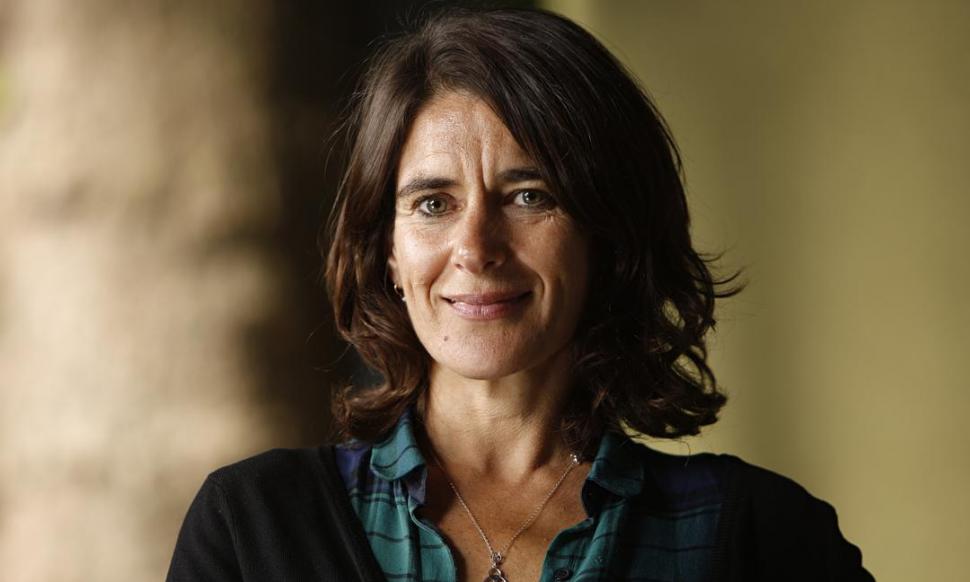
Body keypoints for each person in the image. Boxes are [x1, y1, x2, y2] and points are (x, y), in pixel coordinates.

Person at [167, 7, 873, 582]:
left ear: (609, 235)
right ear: (389, 252)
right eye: (433, 204)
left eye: (530, 195)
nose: (476, 248)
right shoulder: (252, 527)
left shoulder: (762, 539)